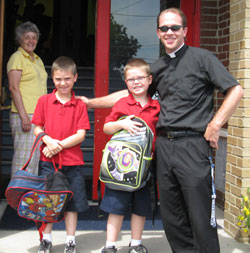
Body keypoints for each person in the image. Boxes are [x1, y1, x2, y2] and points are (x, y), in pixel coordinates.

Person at [80, 8, 244, 253]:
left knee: (200, 214)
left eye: (174, 27)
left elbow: (236, 90)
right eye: (164, 28)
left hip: (193, 145)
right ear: (158, 32)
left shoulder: (203, 58)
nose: (169, 32)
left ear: (185, 31)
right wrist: (91, 103)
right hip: (163, 147)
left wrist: (215, 124)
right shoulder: (156, 69)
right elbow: (130, 92)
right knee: (171, 215)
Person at [100, 58, 160, 253]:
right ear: (126, 83)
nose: (136, 82)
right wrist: (121, 124)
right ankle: (110, 245)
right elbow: (106, 127)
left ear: (150, 79)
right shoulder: (122, 104)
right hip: (120, 169)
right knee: (116, 208)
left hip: (145, 169)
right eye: (131, 79)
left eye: (140, 78)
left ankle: (135, 244)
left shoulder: (157, 107)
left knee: (140, 209)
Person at [32, 56, 90, 253]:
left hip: (73, 163)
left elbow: (81, 135)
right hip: (48, 162)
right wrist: (48, 140)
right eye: (58, 79)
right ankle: (46, 239)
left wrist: (57, 146)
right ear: (52, 78)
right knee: (48, 200)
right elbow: (37, 127)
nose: (62, 83)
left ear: (75, 78)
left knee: (71, 203)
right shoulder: (44, 101)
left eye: (67, 79)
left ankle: (70, 240)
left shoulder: (80, 105)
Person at [7, 21, 47, 177]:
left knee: (34, 158)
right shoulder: (17, 57)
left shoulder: (37, 59)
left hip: (37, 115)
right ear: (19, 39)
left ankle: (29, 196)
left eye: (34, 37)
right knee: (24, 159)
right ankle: (16, 197)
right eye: (27, 37)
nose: (31, 41)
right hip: (25, 115)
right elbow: (13, 88)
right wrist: (23, 115)